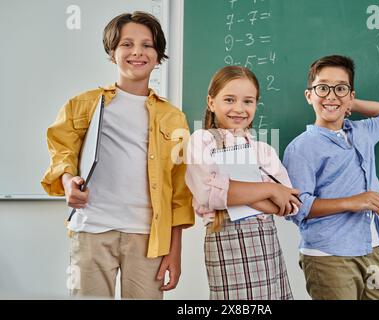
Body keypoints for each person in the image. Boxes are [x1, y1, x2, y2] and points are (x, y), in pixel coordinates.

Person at [41, 11, 194, 299]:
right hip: (92, 230)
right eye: (127, 44)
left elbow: (180, 193)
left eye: (147, 45)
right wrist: (67, 182)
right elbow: (62, 149)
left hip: (149, 237)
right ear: (112, 53)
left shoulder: (174, 118)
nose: (137, 51)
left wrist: (175, 252)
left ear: (159, 55)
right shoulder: (84, 105)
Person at [283, 55, 379, 300]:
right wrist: (352, 201)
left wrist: (345, 103)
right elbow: (297, 208)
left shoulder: (362, 132)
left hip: (371, 249)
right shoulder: (302, 147)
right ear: (309, 95)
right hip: (329, 256)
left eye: (340, 88)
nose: (331, 95)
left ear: (351, 95)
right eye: (322, 88)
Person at [185, 65, 300, 300]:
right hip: (225, 246)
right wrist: (269, 189)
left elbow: (290, 204)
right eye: (229, 99)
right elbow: (209, 194)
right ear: (211, 102)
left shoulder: (262, 150)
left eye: (248, 101)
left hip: (267, 247)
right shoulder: (202, 141)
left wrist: (236, 191)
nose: (239, 109)